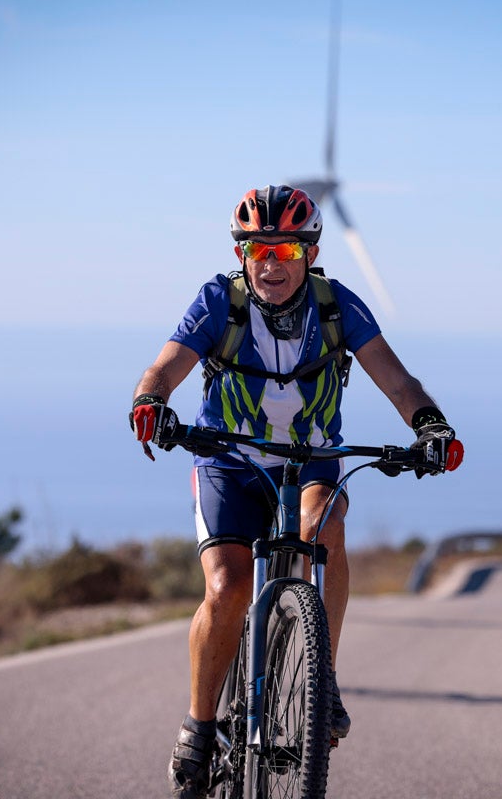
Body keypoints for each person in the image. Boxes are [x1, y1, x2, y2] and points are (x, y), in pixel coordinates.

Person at [130, 185, 464, 798]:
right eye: (256, 249)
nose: (270, 262)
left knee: (325, 525)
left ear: (309, 253)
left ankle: (322, 680)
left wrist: (429, 426)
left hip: (310, 462)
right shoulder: (219, 302)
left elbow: (396, 378)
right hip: (227, 462)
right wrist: (150, 400)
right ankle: (200, 728)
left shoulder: (337, 306)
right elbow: (165, 366)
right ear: (241, 254)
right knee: (228, 589)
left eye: (284, 247)